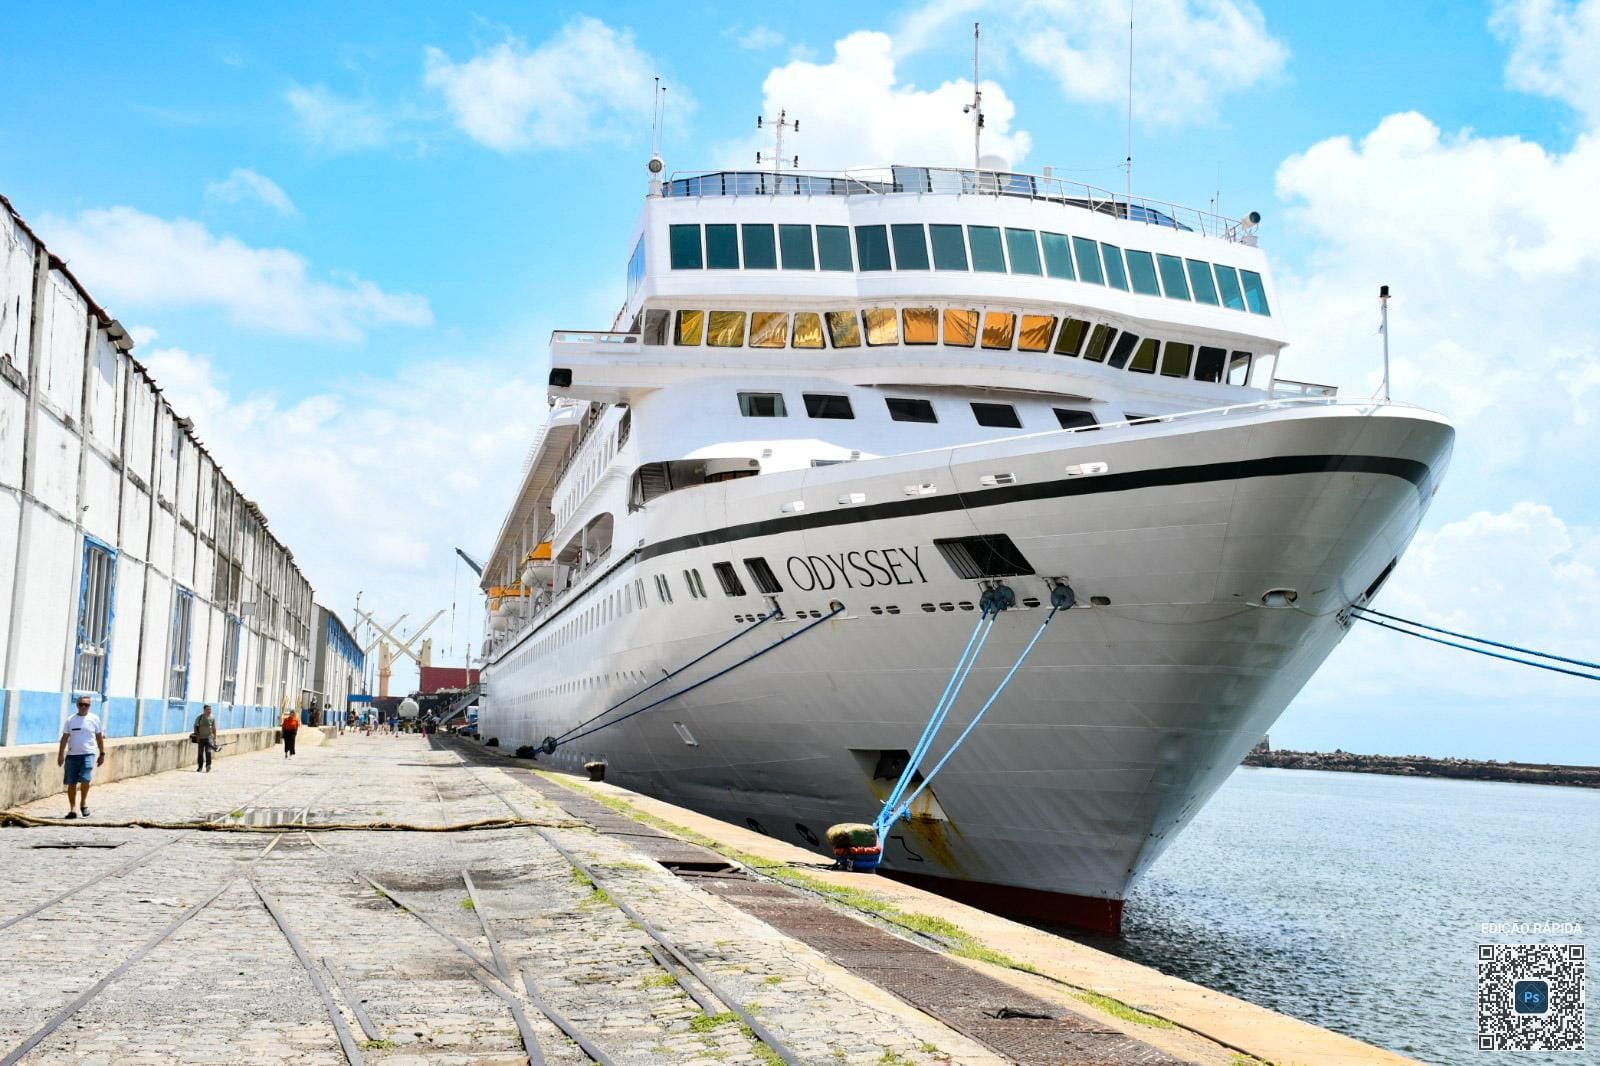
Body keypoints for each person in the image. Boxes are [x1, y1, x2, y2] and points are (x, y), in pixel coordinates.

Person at [57, 696, 105, 819]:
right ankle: (73, 809)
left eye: (86, 705)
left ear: (89, 706)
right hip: (72, 756)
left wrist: (102, 753)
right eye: (81, 704)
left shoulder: (94, 719)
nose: (83, 707)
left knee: (85, 779)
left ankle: (83, 803)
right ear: (77, 705)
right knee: (71, 782)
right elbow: (65, 738)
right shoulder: (70, 720)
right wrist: (61, 754)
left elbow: (99, 737)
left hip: (88, 754)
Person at [192, 704, 217, 772]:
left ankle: (208, 766)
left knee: (208, 752)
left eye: (210, 709)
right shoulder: (200, 717)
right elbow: (195, 726)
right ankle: (200, 767)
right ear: (204, 710)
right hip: (200, 738)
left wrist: (214, 738)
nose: (209, 711)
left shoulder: (212, 718)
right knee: (200, 753)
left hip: (209, 738)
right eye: (208, 709)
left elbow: (214, 728)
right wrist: (197, 736)